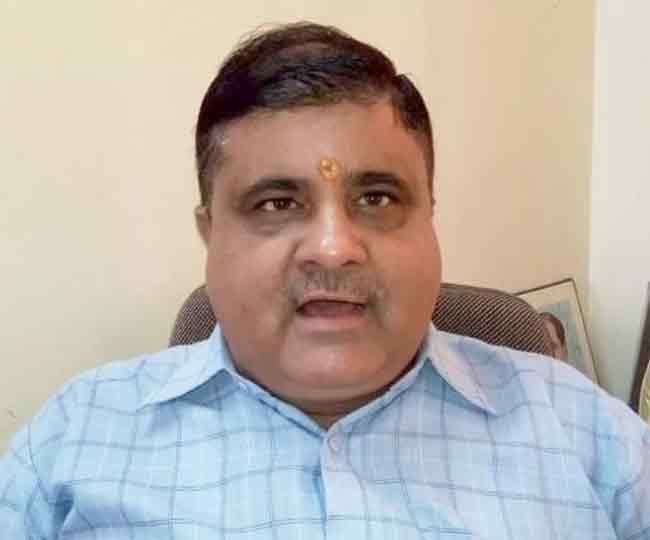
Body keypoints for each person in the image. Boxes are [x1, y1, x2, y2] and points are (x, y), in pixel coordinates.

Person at [1, 22, 648, 540]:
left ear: (430, 218)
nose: (334, 249)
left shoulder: (591, 438)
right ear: (210, 234)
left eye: (377, 198)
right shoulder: (76, 437)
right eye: (277, 203)